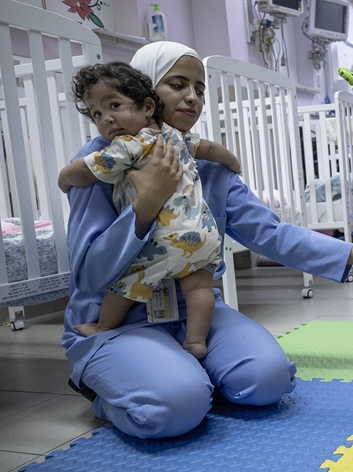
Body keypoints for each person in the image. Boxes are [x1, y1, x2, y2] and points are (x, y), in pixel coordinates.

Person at [62, 41, 353, 439]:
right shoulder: (100, 161)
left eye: (200, 88)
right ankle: (106, 389)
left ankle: (187, 373)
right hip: (119, 319)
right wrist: (147, 202)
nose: (192, 97)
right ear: (146, 95)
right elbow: (89, 273)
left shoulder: (207, 163)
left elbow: (270, 233)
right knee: (174, 408)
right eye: (177, 84)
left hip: (194, 312)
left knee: (269, 380)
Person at [59, 61, 241, 359]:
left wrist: (64, 177)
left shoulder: (129, 145)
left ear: (146, 108)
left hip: (163, 240)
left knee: (124, 284)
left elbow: (89, 170)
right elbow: (208, 148)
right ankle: (196, 340)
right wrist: (231, 160)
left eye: (114, 105)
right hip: (204, 235)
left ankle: (104, 327)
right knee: (199, 289)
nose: (106, 119)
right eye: (96, 114)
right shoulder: (175, 136)